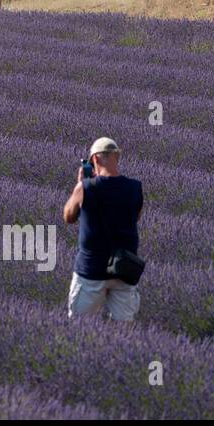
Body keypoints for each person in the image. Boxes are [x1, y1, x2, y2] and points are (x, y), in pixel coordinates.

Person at [62, 137, 143, 321]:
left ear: (96, 159)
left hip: (92, 270)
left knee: (78, 326)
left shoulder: (87, 188)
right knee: (124, 332)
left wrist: (80, 185)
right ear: (116, 157)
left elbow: (68, 217)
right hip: (125, 269)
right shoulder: (135, 188)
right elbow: (136, 217)